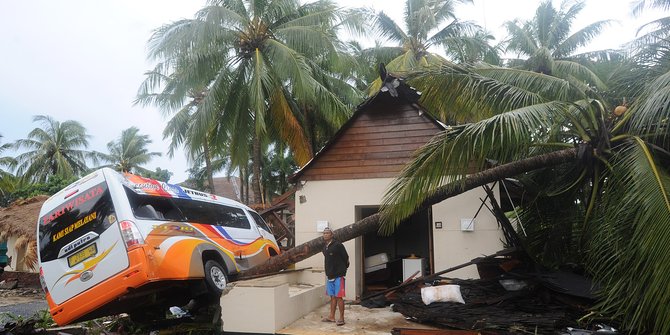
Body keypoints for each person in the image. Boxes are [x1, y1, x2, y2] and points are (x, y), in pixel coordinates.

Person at [321, 227, 349, 326]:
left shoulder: (338, 245)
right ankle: (331, 317)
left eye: (327, 233)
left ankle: (342, 318)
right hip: (330, 275)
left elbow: (346, 257)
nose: (325, 234)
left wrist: (343, 269)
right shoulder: (325, 247)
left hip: (338, 275)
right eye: (324, 233)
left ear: (332, 235)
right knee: (332, 297)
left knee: (339, 297)